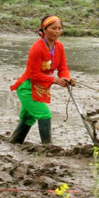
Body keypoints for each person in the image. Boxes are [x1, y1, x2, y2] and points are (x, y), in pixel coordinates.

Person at [9, 15, 73, 145]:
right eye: (53, 28)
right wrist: (55, 80)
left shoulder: (59, 47)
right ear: (44, 29)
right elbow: (33, 74)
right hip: (27, 87)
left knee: (28, 119)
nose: (57, 32)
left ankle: (14, 143)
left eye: (59, 28)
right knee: (44, 114)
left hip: (40, 87)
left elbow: (62, 67)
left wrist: (67, 78)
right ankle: (47, 147)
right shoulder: (37, 48)